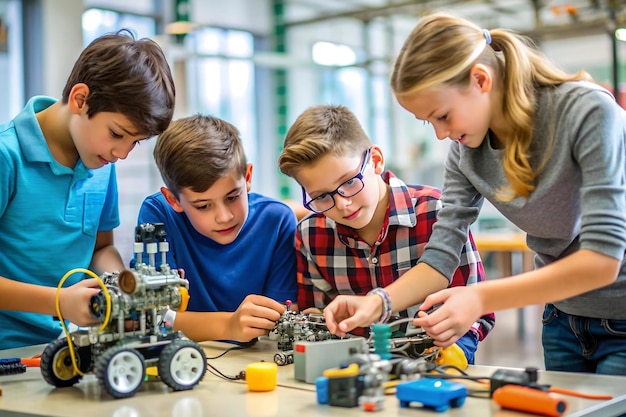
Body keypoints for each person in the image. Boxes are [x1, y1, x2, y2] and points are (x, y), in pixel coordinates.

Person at [322, 12, 626, 375]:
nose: (439, 134)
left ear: (481, 80)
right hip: (562, 319)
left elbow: (602, 259)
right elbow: (440, 257)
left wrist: (479, 298)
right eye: (428, 122)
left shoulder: (587, 110)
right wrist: (377, 303)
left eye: (443, 116)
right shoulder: (465, 150)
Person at [277, 104, 495, 364]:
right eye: (322, 197)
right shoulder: (311, 235)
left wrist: (453, 354)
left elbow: (476, 311)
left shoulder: (438, 213)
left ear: (376, 161)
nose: (342, 204)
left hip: (437, 369)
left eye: (348, 182)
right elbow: (318, 315)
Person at [0, 30, 176, 350]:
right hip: (8, 351)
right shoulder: (5, 156)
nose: (121, 154)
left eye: (134, 142)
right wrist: (58, 302)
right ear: (81, 99)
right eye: (116, 134)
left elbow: (100, 248)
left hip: (73, 346)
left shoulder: (99, 163)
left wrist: (125, 287)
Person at [136, 114, 297, 343]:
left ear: (248, 177)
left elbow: (282, 322)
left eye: (232, 197)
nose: (224, 217)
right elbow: (154, 319)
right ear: (173, 200)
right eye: (203, 206)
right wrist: (228, 326)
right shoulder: (159, 216)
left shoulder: (277, 221)